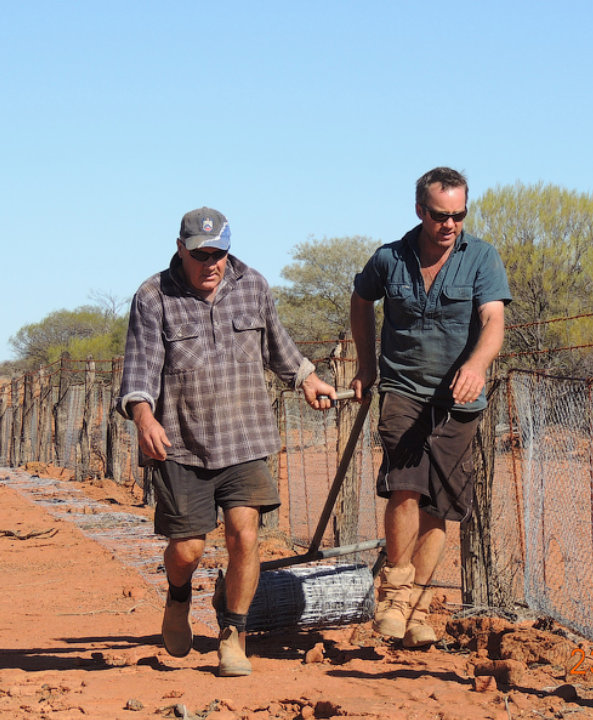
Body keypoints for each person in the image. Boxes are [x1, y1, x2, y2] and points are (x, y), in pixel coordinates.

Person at [116, 206, 338, 677]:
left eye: (219, 253)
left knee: (244, 535)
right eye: (201, 254)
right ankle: (178, 600)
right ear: (181, 249)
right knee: (188, 549)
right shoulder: (153, 296)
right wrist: (143, 417)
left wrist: (308, 379)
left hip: (245, 437)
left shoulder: (252, 284)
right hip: (181, 444)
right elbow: (137, 371)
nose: (211, 263)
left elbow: (279, 347)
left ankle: (233, 635)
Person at [349, 167, 511, 648]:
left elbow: (493, 320)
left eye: (459, 215)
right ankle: (394, 598)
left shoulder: (482, 258)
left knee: (439, 506)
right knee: (405, 487)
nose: (450, 225)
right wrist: (365, 365)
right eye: (441, 215)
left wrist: (478, 365)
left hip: (460, 402)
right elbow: (361, 301)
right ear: (420, 210)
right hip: (403, 389)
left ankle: (417, 608)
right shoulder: (388, 259)